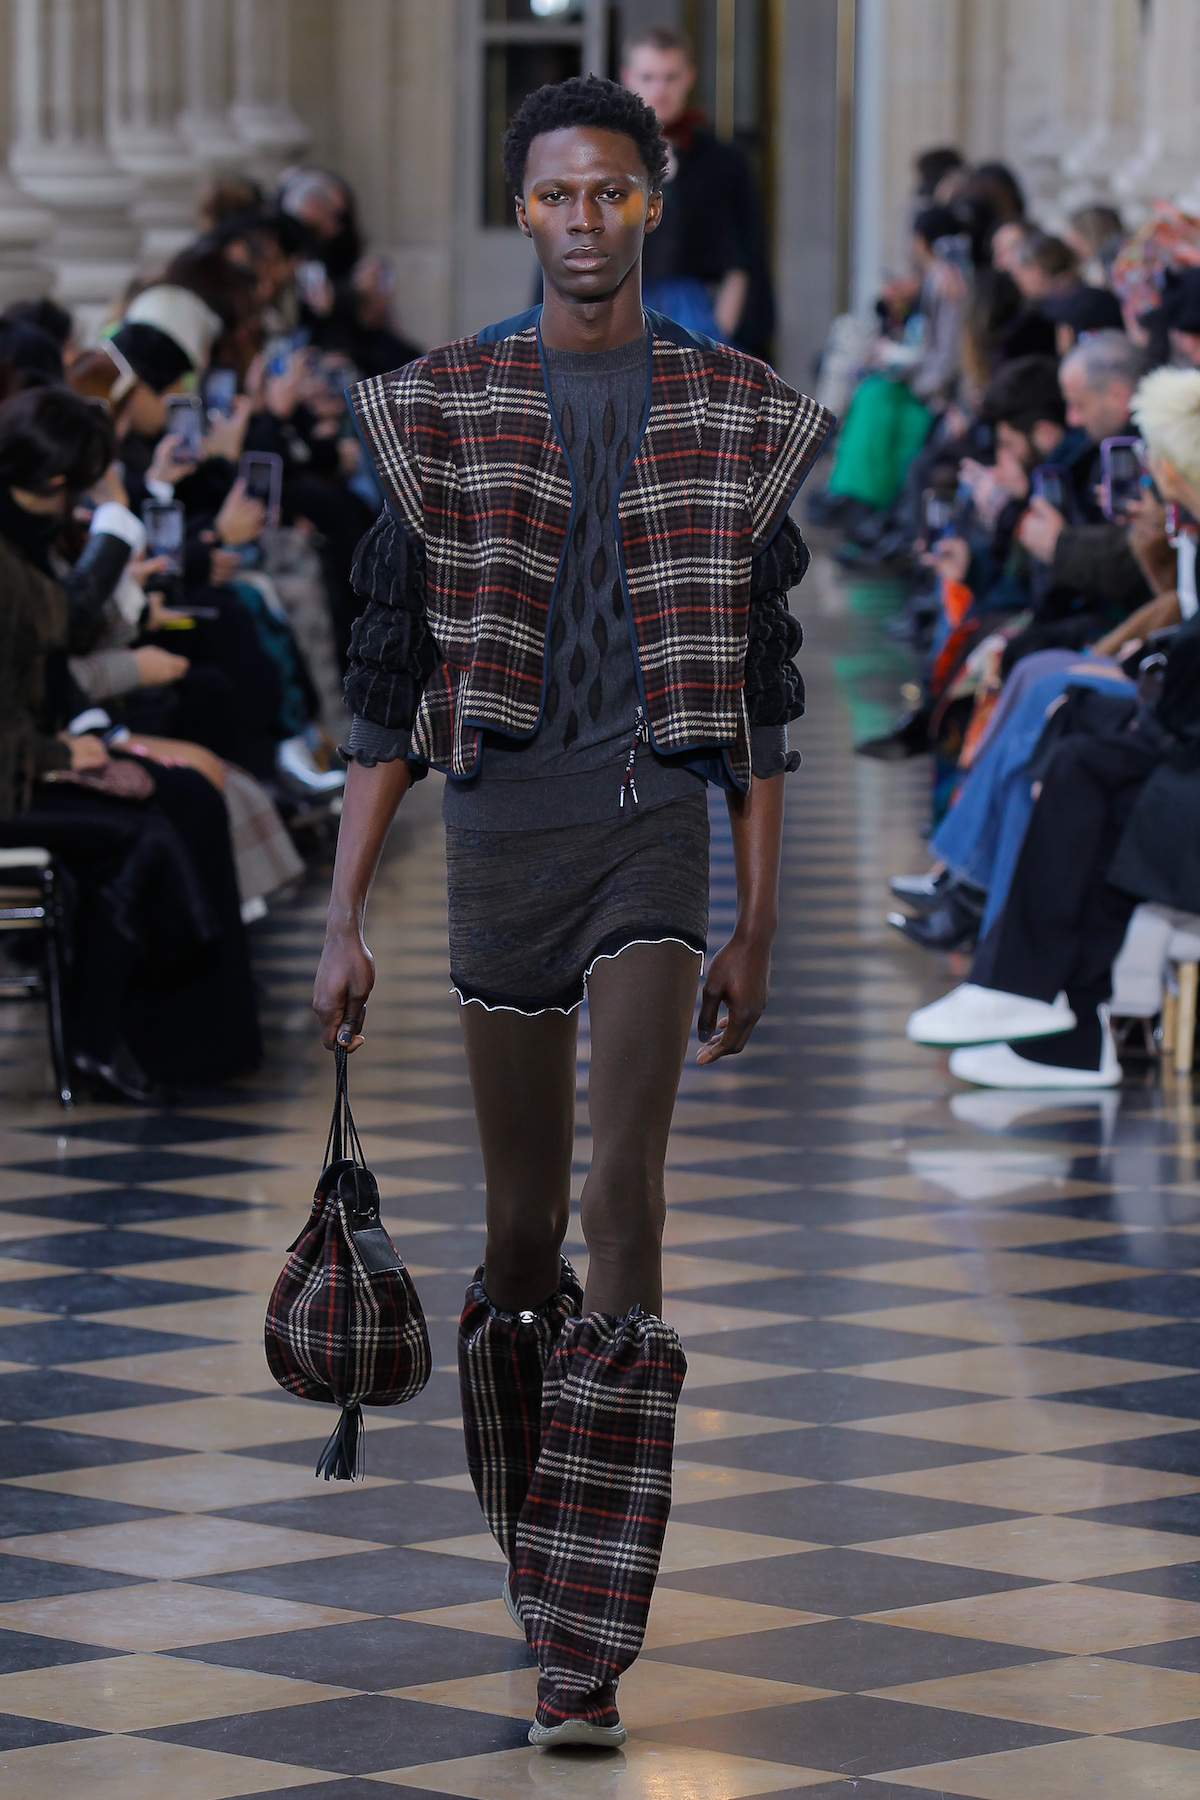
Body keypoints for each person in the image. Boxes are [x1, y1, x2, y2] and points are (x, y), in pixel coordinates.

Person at [313, 73, 830, 1750]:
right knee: (523, 1233)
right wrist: (340, 916)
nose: (586, 218)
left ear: (653, 200)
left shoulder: (733, 408)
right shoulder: (445, 406)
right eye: (557, 193)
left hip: (651, 828)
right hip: (501, 837)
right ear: (523, 209)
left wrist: (757, 921)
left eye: (613, 189)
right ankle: (541, 1543)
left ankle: (586, 1644)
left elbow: (761, 693)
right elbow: (389, 680)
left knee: (625, 1202)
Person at [620, 24, 773, 354]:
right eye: (648, 77)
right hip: (617, 318)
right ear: (628, 77)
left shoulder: (723, 162)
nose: (660, 89)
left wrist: (717, 334)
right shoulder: (605, 159)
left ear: (688, 77)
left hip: (698, 321)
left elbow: (741, 258)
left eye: (670, 77)